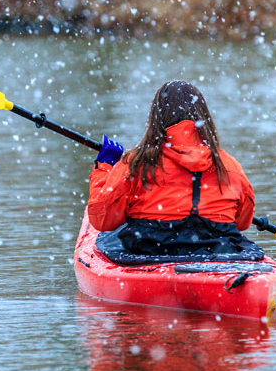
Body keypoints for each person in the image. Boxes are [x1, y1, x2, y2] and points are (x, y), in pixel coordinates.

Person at [88, 80, 258, 257]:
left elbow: (102, 219)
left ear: (156, 118)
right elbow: (242, 222)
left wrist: (105, 166)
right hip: (217, 250)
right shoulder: (229, 165)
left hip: (153, 250)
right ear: (204, 117)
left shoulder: (136, 163)